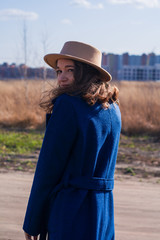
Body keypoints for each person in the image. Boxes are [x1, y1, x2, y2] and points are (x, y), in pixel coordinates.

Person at [23, 41, 121, 240]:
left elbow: (48, 168)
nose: (62, 77)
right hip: (103, 212)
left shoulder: (68, 105)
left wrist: (33, 222)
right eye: (59, 71)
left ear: (87, 72)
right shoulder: (113, 108)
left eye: (70, 69)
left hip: (71, 210)